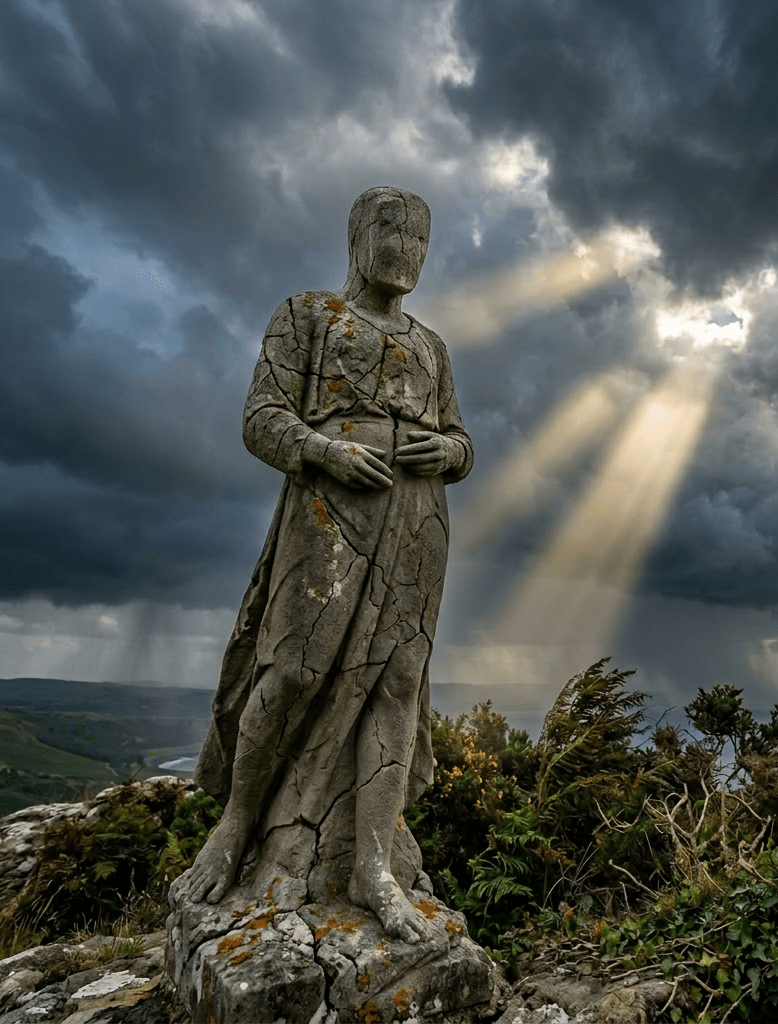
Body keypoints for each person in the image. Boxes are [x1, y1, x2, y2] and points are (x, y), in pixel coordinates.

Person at [182, 187, 472, 944]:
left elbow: (461, 443)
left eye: (418, 236)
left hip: (417, 524)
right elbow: (261, 418)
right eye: (389, 230)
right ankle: (239, 824)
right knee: (292, 668)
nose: (404, 248)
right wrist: (324, 451)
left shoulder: (433, 346)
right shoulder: (308, 314)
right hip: (328, 513)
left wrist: (445, 452)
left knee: (398, 680)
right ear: (357, 236)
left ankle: (373, 867)